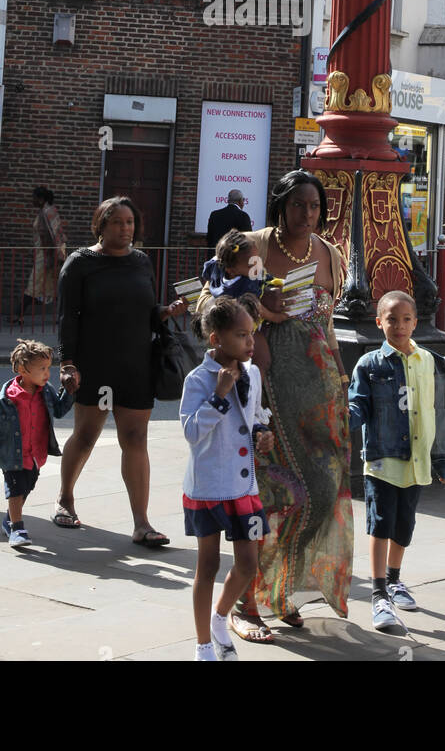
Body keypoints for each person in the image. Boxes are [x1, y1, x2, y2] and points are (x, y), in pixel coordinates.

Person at [230, 169, 353, 643]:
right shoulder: (252, 246)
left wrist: (341, 379)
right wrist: (260, 310)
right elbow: (219, 307)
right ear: (280, 205)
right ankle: (246, 603)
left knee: (322, 489)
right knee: (267, 495)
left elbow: (329, 325)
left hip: (318, 387)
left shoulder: (328, 253)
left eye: (315, 206)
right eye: (299, 205)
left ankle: (282, 590)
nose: (307, 214)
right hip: (264, 386)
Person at [54, 195, 186, 538]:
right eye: (117, 222)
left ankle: (142, 523)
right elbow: (68, 317)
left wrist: (166, 312)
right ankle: (65, 499)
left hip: (135, 366)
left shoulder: (141, 261)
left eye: (130, 222)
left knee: (135, 438)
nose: (125, 229)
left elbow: (145, 311)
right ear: (101, 225)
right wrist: (67, 363)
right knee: (85, 436)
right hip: (96, 365)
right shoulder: (80, 263)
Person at [348, 290, 445, 634]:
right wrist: (338, 420)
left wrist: (444, 460)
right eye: (391, 319)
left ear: (416, 322)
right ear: (378, 322)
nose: (399, 326)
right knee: (380, 524)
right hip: (383, 460)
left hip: (416, 462)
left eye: (406, 319)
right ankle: (379, 592)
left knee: (404, 525)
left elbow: (442, 412)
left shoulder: (429, 361)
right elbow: (359, 408)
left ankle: (396, 581)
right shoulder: (369, 365)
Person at [181, 295, 275, 661]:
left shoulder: (252, 372)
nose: (251, 343)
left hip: (243, 487)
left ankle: (221, 618)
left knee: (248, 564)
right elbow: (191, 432)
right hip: (208, 487)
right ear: (216, 339)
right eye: (241, 335)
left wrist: (261, 435)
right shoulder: (198, 379)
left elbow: (252, 418)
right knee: (207, 565)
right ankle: (203, 642)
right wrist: (219, 396)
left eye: (252, 334)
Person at [0, 338, 74, 549]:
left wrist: (70, 391)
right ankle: (17, 529)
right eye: (42, 369)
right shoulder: (2, 400)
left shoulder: (45, 392)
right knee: (16, 488)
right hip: (11, 455)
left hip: (36, 455)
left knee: (26, 486)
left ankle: (9, 520)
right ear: (22, 369)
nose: (47, 374)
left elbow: (58, 411)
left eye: (48, 368)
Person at [195, 228, 286, 380]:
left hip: (225, 331)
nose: (257, 266)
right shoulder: (244, 286)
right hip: (242, 328)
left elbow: (211, 267)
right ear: (231, 270)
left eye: (258, 260)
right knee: (262, 360)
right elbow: (258, 307)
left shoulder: (221, 273)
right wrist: (277, 317)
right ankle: (251, 389)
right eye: (252, 264)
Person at [17, 187, 67, 323]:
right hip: (53, 254)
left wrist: (50, 257)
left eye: (34, 198)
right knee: (54, 286)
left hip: (47, 255)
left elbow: (49, 237)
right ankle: (62, 316)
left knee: (34, 284)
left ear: (41, 199)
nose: (32, 200)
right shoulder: (49, 211)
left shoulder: (46, 213)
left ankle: (18, 314)